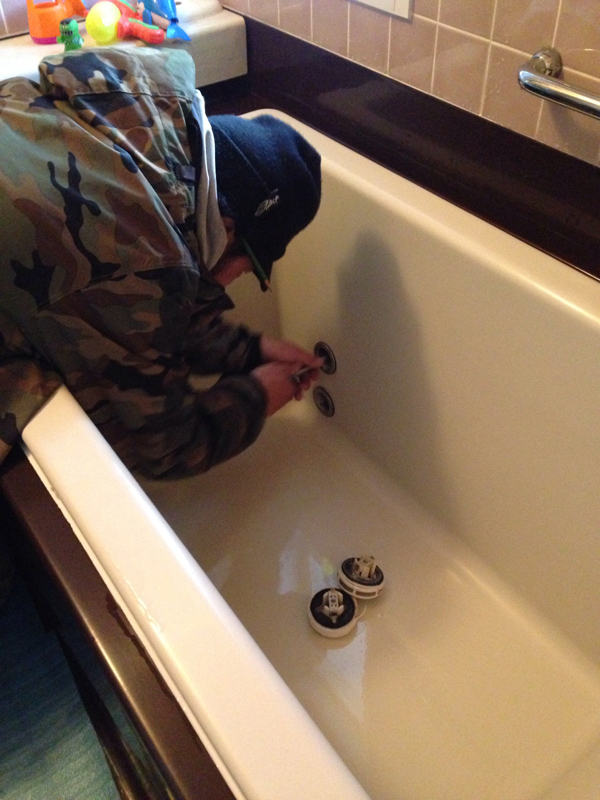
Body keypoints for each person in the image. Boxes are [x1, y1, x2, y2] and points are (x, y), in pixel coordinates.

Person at [0, 46, 323, 478]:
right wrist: (259, 395)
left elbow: (136, 315)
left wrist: (250, 351)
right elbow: (163, 449)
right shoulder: (138, 250)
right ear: (228, 228)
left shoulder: (132, 113)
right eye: (245, 265)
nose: (228, 281)